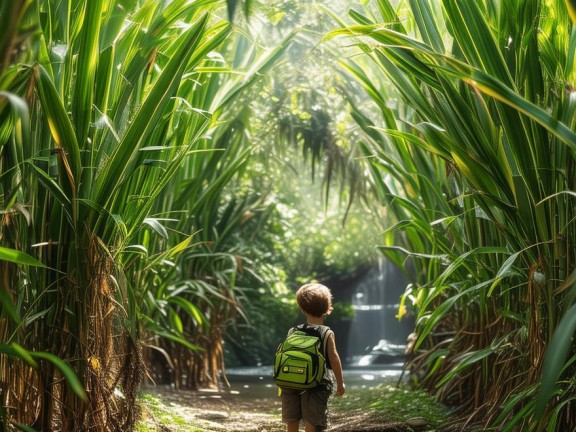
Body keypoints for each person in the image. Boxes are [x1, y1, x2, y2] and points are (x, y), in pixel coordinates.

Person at [281, 283, 346, 432]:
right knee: (312, 419)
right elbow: (334, 358)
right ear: (327, 308)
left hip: (291, 381)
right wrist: (340, 384)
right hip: (317, 383)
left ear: (302, 308)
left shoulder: (293, 331)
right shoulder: (326, 333)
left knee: (292, 419)